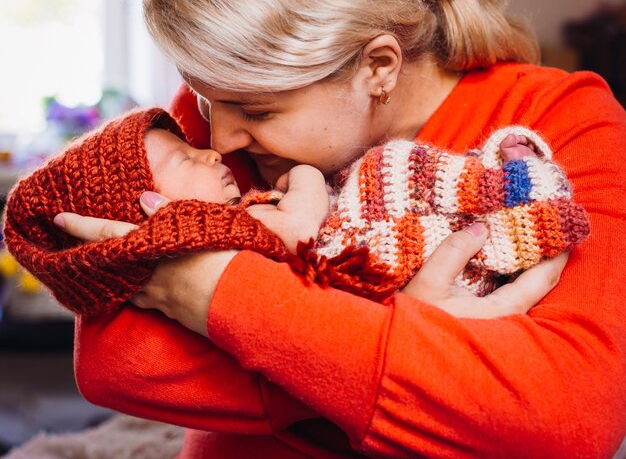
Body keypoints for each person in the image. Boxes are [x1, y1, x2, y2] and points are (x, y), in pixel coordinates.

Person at [47, 0, 626, 457]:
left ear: (379, 66)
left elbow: (564, 422)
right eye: (203, 95)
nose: (219, 141)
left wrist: (213, 291)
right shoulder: (219, 115)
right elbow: (115, 364)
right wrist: (420, 348)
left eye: (258, 111)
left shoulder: (566, 121)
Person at [3, 106, 587, 315]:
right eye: (184, 159)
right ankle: (510, 195)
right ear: (155, 211)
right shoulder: (211, 233)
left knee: (397, 176)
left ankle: (501, 187)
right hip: (365, 261)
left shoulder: (220, 228)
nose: (213, 149)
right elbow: (306, 230)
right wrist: (305, 178)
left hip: (365, 252)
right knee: (396, 178)